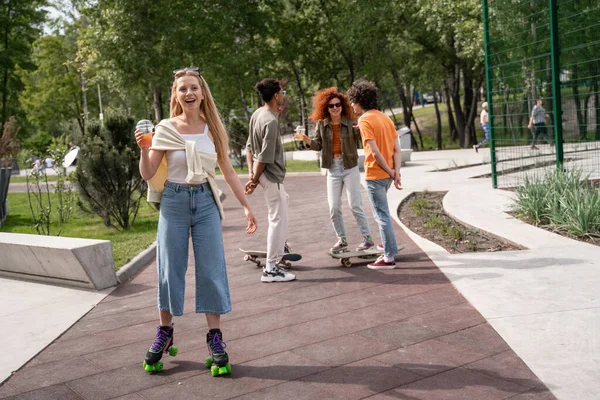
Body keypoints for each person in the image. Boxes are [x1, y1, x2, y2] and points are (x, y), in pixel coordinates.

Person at [134, 67, 257, 375]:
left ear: (203, 93)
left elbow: (227, 171)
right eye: (182, 89)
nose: (188, 93)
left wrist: (245, 205)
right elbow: (149, 173)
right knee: (169, 268)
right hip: (173, 202)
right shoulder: (165, 128)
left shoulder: (212, 128)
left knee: (212, 268)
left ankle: (215, 338)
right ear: (175, 95)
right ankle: (165, 331)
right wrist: (144, 150)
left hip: (205, 202)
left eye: (193, 88)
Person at [294, 87, 374, 253]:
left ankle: (367, 239)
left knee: (355, 205)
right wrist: (306, 139)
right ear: (326, 108)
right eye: (331, 106)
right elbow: (318, 145)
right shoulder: (322, 125)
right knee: (334, 208)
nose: (335, 108)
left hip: (350, 167)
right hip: (333, 169)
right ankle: (342, 239)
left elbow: (366, 138)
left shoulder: (352, 123)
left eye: (338, 104)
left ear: (342, 105)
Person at [347, 80, 402, 270]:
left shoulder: (364, 120)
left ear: (360, 100)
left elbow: (375, 153)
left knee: (381, 216)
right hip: (387, 175)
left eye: (353, 101)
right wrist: (396, 173)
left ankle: (388, 258)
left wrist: (389, 171)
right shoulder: (384, 118)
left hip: (376, 174)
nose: (351, 105)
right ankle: (388, 246)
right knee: (383, 213)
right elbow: (396, 149)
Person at [245, 78, 296, 283]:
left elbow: (250, 146)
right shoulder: (271, 121)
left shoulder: (258, 114)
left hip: (264, 175)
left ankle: (280, 246)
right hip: (270, 175)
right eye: (282, 92)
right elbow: (265, 157)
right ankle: (271, 269)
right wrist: (254, 179)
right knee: (277, 219)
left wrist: (251, 173)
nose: (283, 95)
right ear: (276, 96)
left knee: (284, 204)